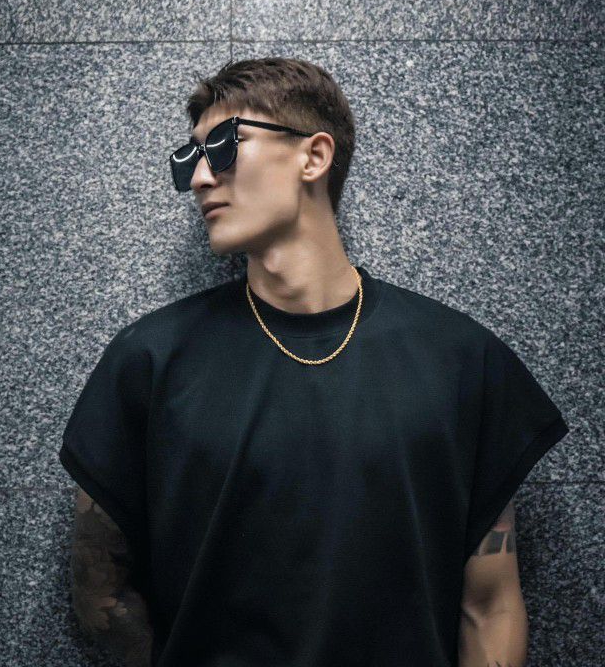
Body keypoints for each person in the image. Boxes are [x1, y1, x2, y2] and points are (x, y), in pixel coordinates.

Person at [59, 57, 570, 666]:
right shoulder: (148, 362)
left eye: (223, 146)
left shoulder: (460, 361)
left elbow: (490, 606)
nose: (198, 176)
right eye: (189, 156)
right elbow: (100, 594)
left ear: (314, 156)